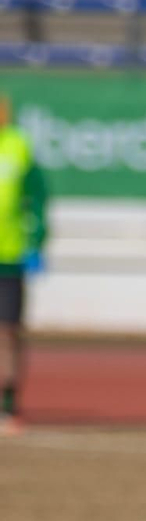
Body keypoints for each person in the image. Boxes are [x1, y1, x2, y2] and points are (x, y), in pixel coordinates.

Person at [0, 94, 48, 436]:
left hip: (9, 255)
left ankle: (7, 403)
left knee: (8, 331)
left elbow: (38, 196)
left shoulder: (19, 147)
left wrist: (37, 240)